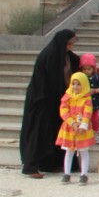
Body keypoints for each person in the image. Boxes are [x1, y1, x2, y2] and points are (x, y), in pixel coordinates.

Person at [20, 29, 80, 177]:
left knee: (53, 131)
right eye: (69, 44)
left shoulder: (63, 54)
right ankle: (30, 166)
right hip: (41, 100)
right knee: (39, 132)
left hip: (53, 100)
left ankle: (49, 164)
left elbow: (78, 61)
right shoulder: (52, 54)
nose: (71, 47)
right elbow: (53, 80)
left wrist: (92, 68)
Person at [56, 72, 95, 185]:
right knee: (69, 151)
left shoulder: (87, 98)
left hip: (82, 129)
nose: (75, 87)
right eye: (73, 84)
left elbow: (87, 113)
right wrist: (71, 122)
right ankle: (66, 174)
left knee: (84, 151)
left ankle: (84, 174)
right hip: (70, 127)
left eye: (79, 84)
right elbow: (63, 111)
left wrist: (83, 125)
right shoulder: (67, 97)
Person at [79, 53, 99, 146]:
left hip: (95, 103)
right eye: (84, 69)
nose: (86, 71)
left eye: (89, 69)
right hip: (84, 104)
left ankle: (96, 133)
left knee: (95, 119)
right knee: (85, 120)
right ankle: (86, 135)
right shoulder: (81, 77)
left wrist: (98, 90)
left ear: (93, 68)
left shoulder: (97, 77)